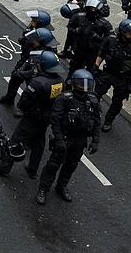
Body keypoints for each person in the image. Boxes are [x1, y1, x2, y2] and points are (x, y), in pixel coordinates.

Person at [0, 50, 65, 178]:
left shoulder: (38, 82)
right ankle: (32, 168)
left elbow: (25, 100)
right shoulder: (60, 81)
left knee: (16, 140)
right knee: (39, 142)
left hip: (32, 117)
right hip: (46, 117)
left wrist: (22, 109)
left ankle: (4, 167)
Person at [37, 69, 101, 205]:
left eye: (87, 85)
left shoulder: (93, 100)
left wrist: (95, 140)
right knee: (53, 165)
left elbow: (96, 121)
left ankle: (61, 186)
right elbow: (55, 120)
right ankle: (43, 189)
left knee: (71, 165)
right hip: (65, 137)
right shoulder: (65, 99)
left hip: (80, 140)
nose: (84, 88)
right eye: (81, 84)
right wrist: (59, 139)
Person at [94, 19, 131, 132]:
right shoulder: (111, 40)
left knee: (117, 102)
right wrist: (96, 65)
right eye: (130, 34)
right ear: (123, 33)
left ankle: (108, 120)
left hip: (123, 78)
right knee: (96, 93)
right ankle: (93, 113)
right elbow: (101, 53)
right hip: (108, 73)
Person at [62, 0, 113, 71]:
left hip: (93, 49)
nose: (91, 10)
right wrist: (76, 31)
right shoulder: (79, 16)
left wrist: (97, 37)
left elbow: (108, 40)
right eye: (90, 8)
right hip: (79, 46)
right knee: (74, 65)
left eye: (93, 9)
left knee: (89, 68)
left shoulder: (104, 23)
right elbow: (70, 26)